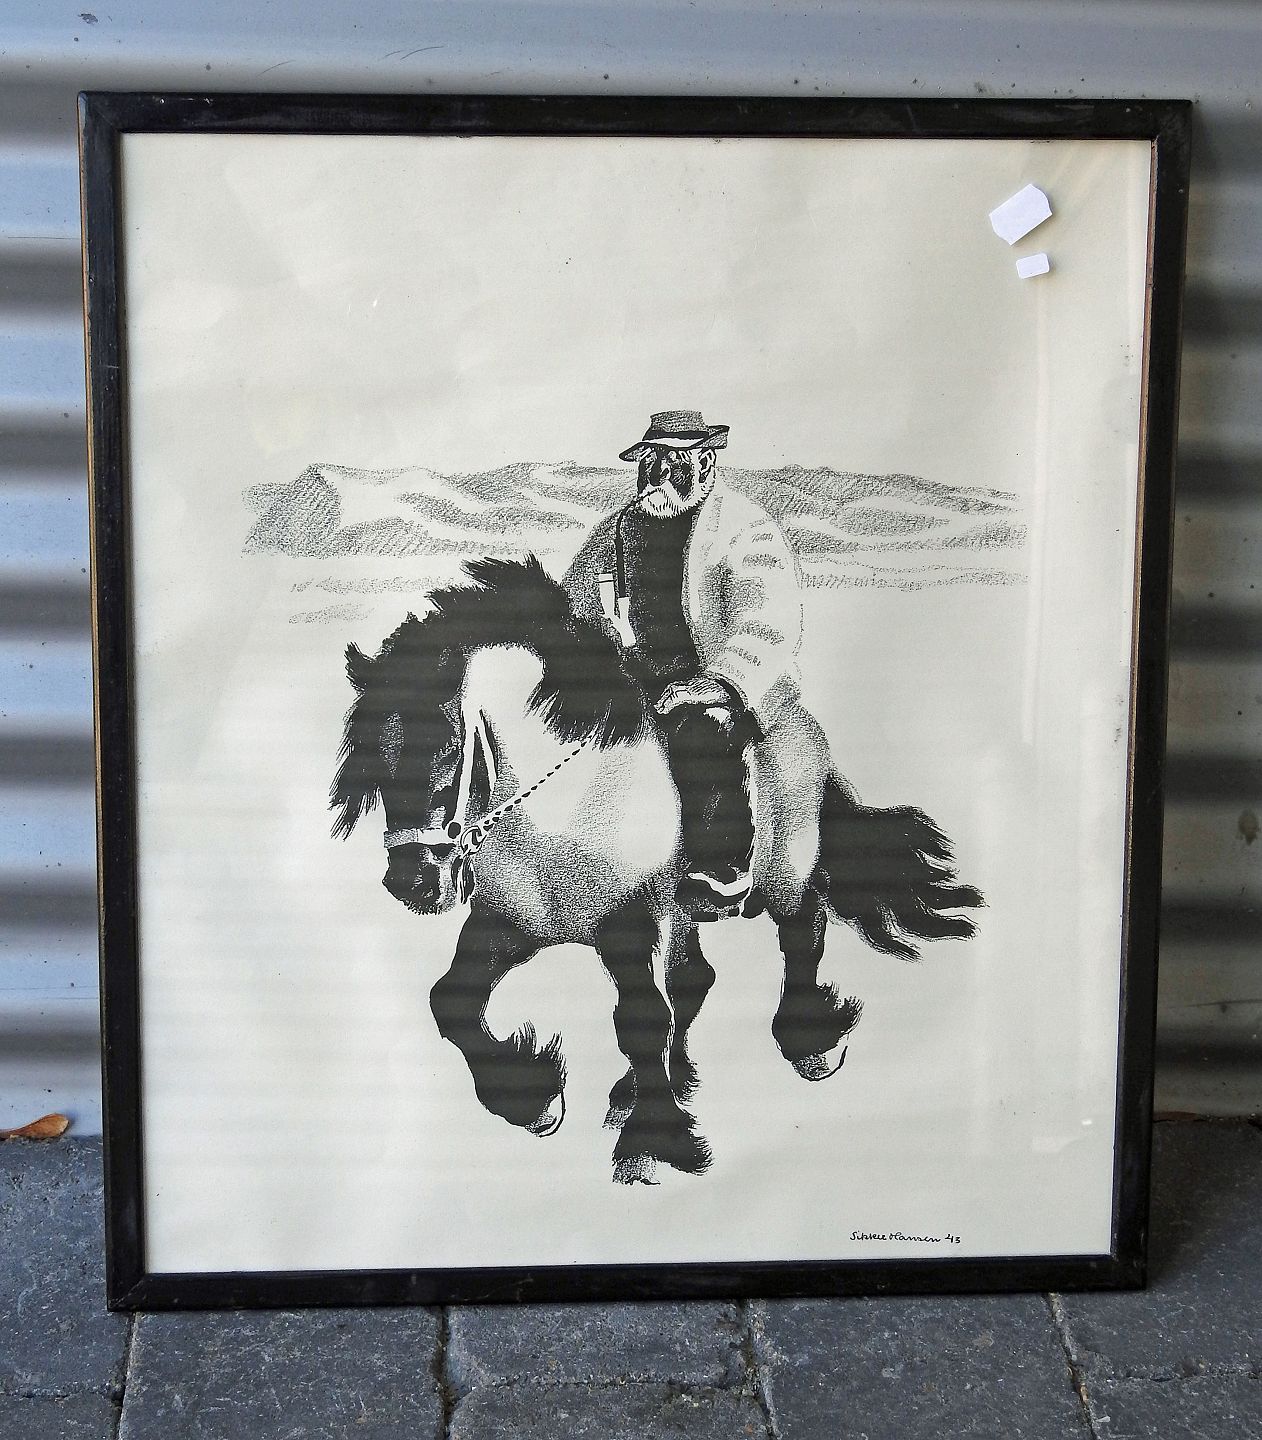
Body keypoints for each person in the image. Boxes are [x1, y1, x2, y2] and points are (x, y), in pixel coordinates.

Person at [564, 410, 805, 918]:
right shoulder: (618, 530)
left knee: (702, 729)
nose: (654, 475)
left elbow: (767, 622)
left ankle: (723, 870)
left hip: (720, 680)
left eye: (670, 462)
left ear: (706, 465)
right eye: (648, 462)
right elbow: (576, 600)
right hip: (638, 674)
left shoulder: (745, 528)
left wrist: (714, 684)